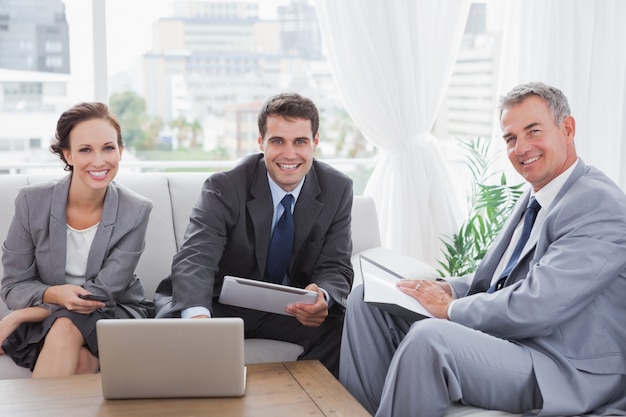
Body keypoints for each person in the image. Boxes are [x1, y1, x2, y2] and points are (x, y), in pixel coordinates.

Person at [339, 82, 626, 416]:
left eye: (533, 131)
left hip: (561, 365)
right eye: (511, 138)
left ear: (567, 128)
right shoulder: (538, 194)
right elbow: (502, 278)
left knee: (430, 340)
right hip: (517, 342)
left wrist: (450, 309)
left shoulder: (596, 204)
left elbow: (537, 304)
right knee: (366, 301)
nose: (521, 148)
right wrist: (447, 287)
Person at [154, 92, 353, 377]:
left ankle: (309, 405)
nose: (289, 154)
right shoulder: (224, 186)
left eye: (300, 141)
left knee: (342, 326)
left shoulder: (337, 189)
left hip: (289, 309)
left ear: (315, 142)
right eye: (277, 141)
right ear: (260, 143)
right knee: (173, 328)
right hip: (220, 302)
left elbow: (336, 265)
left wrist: (322, 295)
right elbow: (196, 257)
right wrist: (199, 320)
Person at [0, 102, 154, 377]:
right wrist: (53, 294)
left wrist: (21, 315)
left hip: (113, 313)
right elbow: (14, 286)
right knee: (79, 362)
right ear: (67, 155)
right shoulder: (31, 202)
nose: (99, 161)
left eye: (108, 148)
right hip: (52, 321)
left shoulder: (136, 210)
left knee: (65, 327)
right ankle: (93, 366)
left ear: (120, 150)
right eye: (85, 150)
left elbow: (101, 295)